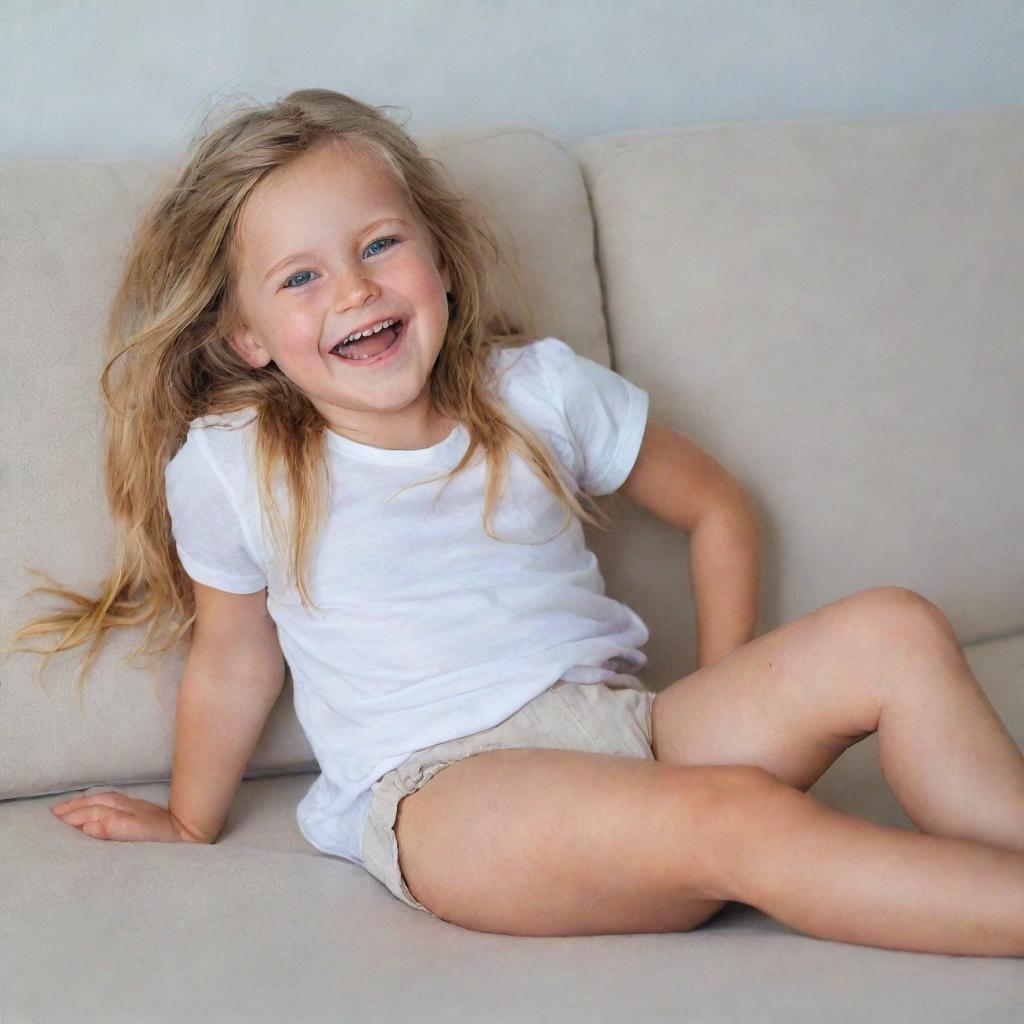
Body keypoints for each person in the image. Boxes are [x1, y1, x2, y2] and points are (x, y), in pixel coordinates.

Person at [7, 88, 1024, 955]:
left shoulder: (534, 389)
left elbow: (716, 505)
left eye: (378, 244)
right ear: (249, 335)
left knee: (893, 625)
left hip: (635, 732)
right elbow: (235, 660)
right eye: (301, 276)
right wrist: (190, 819)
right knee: (744, 817)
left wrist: (718, 682)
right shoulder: (237, 465)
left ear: (440, 261)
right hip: (452, 797)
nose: (353, 287)